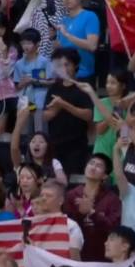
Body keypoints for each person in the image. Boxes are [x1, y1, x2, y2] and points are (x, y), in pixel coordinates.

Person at [43, 48, 93, 176]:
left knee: (73, 181)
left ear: (75, 65)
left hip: (76, 145)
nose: (64, 68)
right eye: (60, 65)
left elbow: (89, 115)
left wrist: (64, 105)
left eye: (67, 64)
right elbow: (45, 116)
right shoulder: (53, 88)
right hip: (54, 144)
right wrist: (56, 109)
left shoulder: (83, 87)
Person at [64, 153, 122, 261]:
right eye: (91, 163)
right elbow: (65, 226)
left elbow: (113, 228)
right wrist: (80, 214)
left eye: (99, 166)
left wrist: (92, 213)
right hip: (76, 256)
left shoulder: (112, 199)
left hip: (102, 257)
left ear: (105, 176)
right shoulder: (71, 195)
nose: (93, 167)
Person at [75, 68, 130, 175]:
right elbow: (100, 130)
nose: (108, 86)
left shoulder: (130, 104)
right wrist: (114, 112)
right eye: (107, 82)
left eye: (113, 83)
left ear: (123, 86)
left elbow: (125, 130)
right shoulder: (101, 103)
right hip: (102, 149)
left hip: (122, 149)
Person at [50, 0, 99, 82]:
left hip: (84, 75)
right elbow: (61, 47)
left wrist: (67, 34)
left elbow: (92, 46)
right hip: (63, 75)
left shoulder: (90, 16)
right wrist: (53, 37)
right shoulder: (63, 20)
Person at [10, 110, 68, 186]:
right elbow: (14, 149)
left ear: (48, 146)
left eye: (41, 142)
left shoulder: (54, 162)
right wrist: (19, 124)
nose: (36, 144)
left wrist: (43, 181)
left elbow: (63, 182)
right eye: (33, 142)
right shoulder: (23, 162)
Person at [13, 28, 53, 133]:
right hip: (25, 101)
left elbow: (52, 81)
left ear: (37, 44)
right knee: (25, 131)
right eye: (23, 43)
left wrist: (35, 80)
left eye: (29, 43)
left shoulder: (44, 62)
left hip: (40, 101)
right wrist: (23, 83)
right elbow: (16, 86)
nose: (25, 46)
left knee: (40, 130)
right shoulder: (19, 64)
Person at [34, 180, 85, 260]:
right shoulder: (33, 225)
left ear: (60, 201)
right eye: (41, 196)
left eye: (48, 196)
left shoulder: (71, 226)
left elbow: (74, 260)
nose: (43, 199)